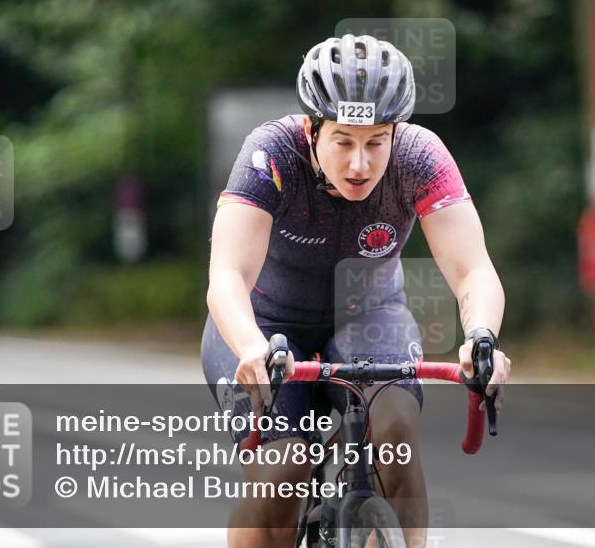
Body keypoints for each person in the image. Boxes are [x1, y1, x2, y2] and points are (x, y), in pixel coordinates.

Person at [203, 34, 510, 548]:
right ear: (312, 129)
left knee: (395, 440)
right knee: (283, 471)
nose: (360, 164)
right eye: (343, 141)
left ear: (397, 132)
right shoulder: (271, 153)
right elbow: (227, 276)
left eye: (375, 143)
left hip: (371, 316)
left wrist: (481, 338)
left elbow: (473, 267)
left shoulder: (420, 156)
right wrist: (252, 346)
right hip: (267, 326)